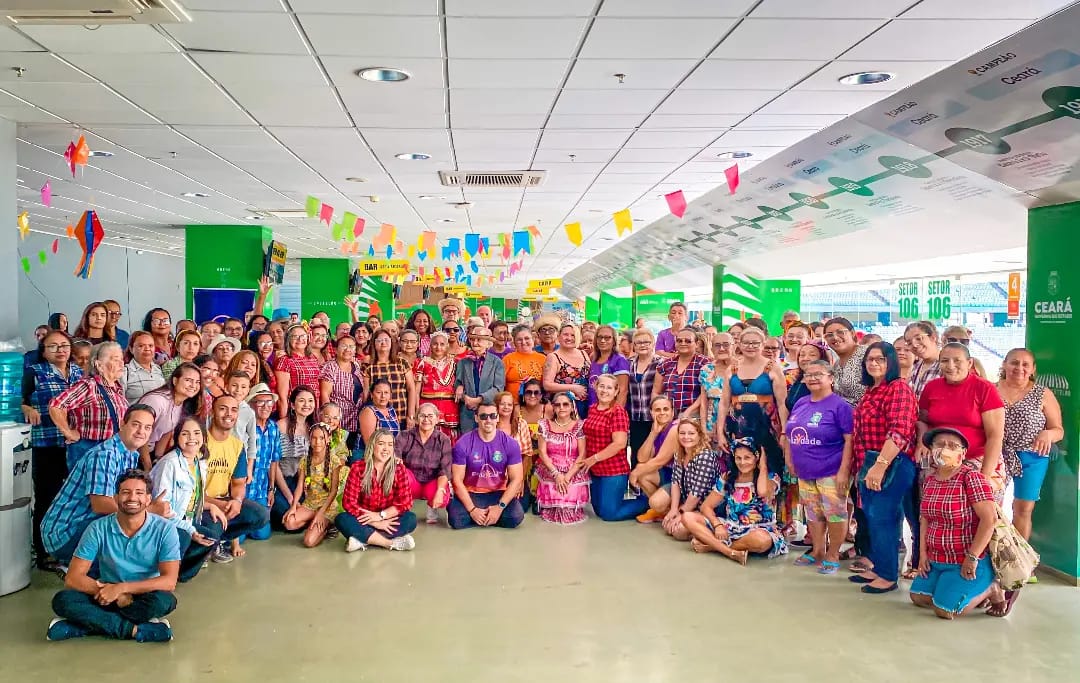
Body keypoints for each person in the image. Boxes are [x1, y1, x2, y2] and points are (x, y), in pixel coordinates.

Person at [46, 470, 179, 643]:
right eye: (125, 492)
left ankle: (86, 626)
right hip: (104, 593)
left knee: (164, 601)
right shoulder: (98, 528)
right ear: (116, 497)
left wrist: (122, 589)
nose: (132, 498)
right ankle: (136, 630)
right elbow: (73, 578)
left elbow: (169, 581)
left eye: (139, 493)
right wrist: (115, 594)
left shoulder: (165, 529)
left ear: (148, 499)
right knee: (63, 600)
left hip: (143, 594)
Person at [910, 427, 1013, 618]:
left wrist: (972, 557)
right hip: (937, 560)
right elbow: (925, 519)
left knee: (945, 610)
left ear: (963, 453)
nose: (945, 449)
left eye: (953, 446)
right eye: (940, 444)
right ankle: (951, 588)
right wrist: (923, 554)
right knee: (917, 597)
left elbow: (989, 519)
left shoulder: (971, 478)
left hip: (966, 560)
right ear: (931, 449)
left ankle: (991, 588)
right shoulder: (930, 480)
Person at [41, 404, 158, 565]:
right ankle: (76, 568)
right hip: (66, 532)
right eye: (136, 424)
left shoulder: (131, 454)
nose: (141, 432)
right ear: (123, 424)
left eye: (147, 427)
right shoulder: (105, 455)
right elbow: (101, 505)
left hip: (88, 523)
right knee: (137, 554)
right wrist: (150, 511)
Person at [850, 342, 918, 594]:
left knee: (884, 517)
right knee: (873, 517)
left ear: (891, 362)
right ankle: (880, 567)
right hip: (869, 463)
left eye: (880, 359)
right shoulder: (872, 390)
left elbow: (899, 431)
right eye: (870, 359)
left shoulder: (898, 389)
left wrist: (879, 466)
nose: (874, 363)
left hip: (891, 463)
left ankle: (888, 575)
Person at [784, 360, 853, 575]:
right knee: (813, 514)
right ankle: (817, 550)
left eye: (818, 374)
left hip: (831, 470)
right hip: (805, 470)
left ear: (831, 378)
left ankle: (833, 554)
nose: (812, 378)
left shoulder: (840, 406)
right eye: (808, 374)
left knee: (834, 514)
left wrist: (843, 472)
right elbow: (790, 434)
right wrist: (790, 459)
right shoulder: (801, 402)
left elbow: (850, 440)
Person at [21, 330, 84, 570]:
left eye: (64, 345)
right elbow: (18, 400)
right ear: (43, 351)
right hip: (46, 444)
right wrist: (25, 408)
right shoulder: (34, 373)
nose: (60, 350)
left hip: (74, 446)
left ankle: (65, 546)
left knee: (71, 499)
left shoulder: (79, 373)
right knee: (47, 498)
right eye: (53, 346)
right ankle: (43, 551)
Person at [916, 343, 1006, 496]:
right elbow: (922, 420)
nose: (951, 366)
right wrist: (921, 442)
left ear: (969, 363)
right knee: (933, 509)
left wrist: (984, 476)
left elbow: (995, 435)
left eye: (957, 360)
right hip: (938, 460)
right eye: (945, 361)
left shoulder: (984, 388)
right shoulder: (932, 387)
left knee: (978, 512)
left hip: (976, 459)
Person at [682, 438, 788, 565]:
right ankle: (729, 552)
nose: (742, 462)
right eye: (738, 458)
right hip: (730, 528)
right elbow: (706, 507)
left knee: (762, 540)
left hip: (758, 531)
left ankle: (713, 547)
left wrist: (763, 465)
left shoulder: (771, 478)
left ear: (757, 457)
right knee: (688, 517)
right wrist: (718, 525)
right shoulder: (728, 477)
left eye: (747, 457)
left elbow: (762, 492)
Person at [995, 348, 1064, 543]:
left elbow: (1058, 430)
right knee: (989, 506)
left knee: (1023, 509)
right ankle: (990, 558)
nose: (1020, 368)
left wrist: (1048, 433)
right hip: (997, 454)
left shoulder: (1043, 394)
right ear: (1004, 364)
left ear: (1033, 369)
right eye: (1014, 363)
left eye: (1026, 364)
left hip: (1032, 457)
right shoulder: (990, 389)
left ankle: (1019, 561)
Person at [149, 417, 227, 582]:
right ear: (177, 438)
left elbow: (193, 497)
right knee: (184, 536)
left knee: (212, 535)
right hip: (167, 521)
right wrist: (189, 529)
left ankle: (179, 574)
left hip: (188, 517)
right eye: (185, 434)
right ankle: (158, 576)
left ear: (204, 438)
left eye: (197, 433)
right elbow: (162, 509)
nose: (192, 438)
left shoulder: (200, 462)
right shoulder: (169, 464)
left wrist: (210, 506)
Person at [201, 395, 271, 563]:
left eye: (234, 410)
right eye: (223, 408)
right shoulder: (200, 441)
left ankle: (215, 541)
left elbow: (239, 483)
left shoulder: (237, 445)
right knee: (214, 525)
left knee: (260, 515)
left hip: (223, 499)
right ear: (212, 411)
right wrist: (218, 505)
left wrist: (237, 500)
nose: (228, 414)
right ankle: (205, 544)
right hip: (199, 504)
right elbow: (191, 492)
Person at [716, 326, 789, 476]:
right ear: (739, 345)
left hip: (767, 428)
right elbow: (724, 403)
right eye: (746, 343)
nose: (751, 347)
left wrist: (784, 432)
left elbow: (782, 404)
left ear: (762, 344)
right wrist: (720, 432)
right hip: (738, 429)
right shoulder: (732, 369)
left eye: (755, 343)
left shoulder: (773, 367)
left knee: (768, 469)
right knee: (740, 471)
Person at [447, 400, 526, 530]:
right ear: (476, 418)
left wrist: (499, 507)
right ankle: (484, 516)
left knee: (515, 517)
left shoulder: (510, 443)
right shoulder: (463, 443)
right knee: (456, 520)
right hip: (471, 492)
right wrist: (472, 510)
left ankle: (489, 515)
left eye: (492, 416)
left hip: (498, 493)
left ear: (498, 418)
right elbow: (456, 480)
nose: (488, 420)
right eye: (483, 416)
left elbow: (517, 479)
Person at [49, 341, 128, 469]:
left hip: (113, 451)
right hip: (90, 451)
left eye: (122, 359)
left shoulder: (118, 389)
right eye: (115, 359)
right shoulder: (89, 385)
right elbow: (56, 405)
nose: (121, 363)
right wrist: (68, 432)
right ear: (99, 365)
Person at [336, 429, 417, 552]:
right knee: (342, 519)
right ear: (372, 446)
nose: (386, 448)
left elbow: (406, 502)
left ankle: (362, 539)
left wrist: (381, 516)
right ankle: (388, 542)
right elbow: (349, 503)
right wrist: (375, 522)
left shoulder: (399, 468)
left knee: (410, 519)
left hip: (386, 517)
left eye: (390, 444)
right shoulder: (358, 468)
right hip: (364, 518)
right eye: (381, 443)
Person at [583, 374, 648, 521]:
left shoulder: (618, 412)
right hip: (596, 469)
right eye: (602, 386)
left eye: (609, 388)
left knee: (609, 514)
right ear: (595, 387)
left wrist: (593, 458)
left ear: (616, 391)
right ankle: (618, 503)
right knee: (599, 510)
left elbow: (619, 443)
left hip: (614, 470)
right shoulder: (593, 408)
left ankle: (648, 503)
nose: (605, 391)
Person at [653, 420, 719, 542]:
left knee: (678, 532)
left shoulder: (705, 457)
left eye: (691, 433)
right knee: (663, 515)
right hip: (687, 499)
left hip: (705, 505)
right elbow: (675, 482)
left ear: (699, 435)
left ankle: (704, 530)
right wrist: (674, 510)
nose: (686, 437)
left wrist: (681, 514)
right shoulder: (680, 452)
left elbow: (696, 493)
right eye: (682, 433)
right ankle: (685, 520)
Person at [282, 423, 343, 548]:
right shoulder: (305, 460)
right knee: (289, 523)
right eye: (314, 438)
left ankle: (327, 527)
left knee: (309, 542)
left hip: (327, 506)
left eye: (321, 438)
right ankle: (313, 523)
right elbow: (299, 486)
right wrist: (293, 506)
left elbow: (333, 491)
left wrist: (321, 514)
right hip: (311, 503)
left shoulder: (334, 461)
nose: (317, 442)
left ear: (329, 439)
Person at [535, 392, 589, 525]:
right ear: (553, 407)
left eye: (565, 404)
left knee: (567, 497)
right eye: (557, 405)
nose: (561, 408)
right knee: (556, 498)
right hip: (551, 469)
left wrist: (567, 477)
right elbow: (542, 452)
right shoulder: (544, 425)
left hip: (573, 470)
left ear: (572, 407)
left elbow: (582, 454)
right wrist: (556, 475)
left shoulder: (579, 425)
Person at [395, 403, 453, 525]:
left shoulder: (444, 440)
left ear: (437, 419)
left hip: (431, 480)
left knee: (443, 494)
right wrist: (397, 459)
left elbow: (445, 469)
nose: (426, 419)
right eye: (422, 416)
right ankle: (402, 508)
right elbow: (396, 453)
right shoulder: (404, 435)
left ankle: (432, 508)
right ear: (416, 419)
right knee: (397, 470)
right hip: (411, 481)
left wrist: (440, 490)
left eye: (430, 416)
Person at [137, 363, 204, 469]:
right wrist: (148, 467)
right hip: (135, 452)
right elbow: (139, 433)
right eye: (188, 380)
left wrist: (158, 461)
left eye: (197, 382)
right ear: (175, 381)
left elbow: (166, 432)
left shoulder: (181, 403)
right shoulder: (157, 401)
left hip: (150, 453)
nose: (193, 385)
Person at [629, 395, 677, 523]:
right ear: (651, 412)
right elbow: (642, 458)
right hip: (668, 474)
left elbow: (660, 460)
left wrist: (634, 473)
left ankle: (668, 509)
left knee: (654, 501)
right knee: (642, 470)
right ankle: (663, 512)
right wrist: (653, 433)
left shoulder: (675, 428)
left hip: (680, 479)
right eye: (657, 410)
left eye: (666, 409)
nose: (662, 413)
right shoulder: (659, 428)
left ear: (672, 412)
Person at [273, 385, 316, 528]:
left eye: (310, 401)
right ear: (292, 404)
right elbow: (275, 466)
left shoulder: (314, 429)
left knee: (294, 516)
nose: (306, 405)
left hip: (304, 483)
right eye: (301, 401)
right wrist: (291, 498)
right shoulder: (280, 426)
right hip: (283, 482)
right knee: (283, 514)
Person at [455, 327, 506, 433]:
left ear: (488, 343)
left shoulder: (497, 362)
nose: (475, 342)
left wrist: (478, 400)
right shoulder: (463, 362)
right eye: (473, 339)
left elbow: (498, 388)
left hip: (488, 412)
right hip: (467, 413)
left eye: (479, 339)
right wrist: (465, 397)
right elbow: (457, 384)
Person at [245, 383, 279, 541]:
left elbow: (274, 460)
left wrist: (271, 488)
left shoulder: (273, 427)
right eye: (260, 402)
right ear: (251, 405)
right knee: (240, 537)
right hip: (244, 489)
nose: (266, 406)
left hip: (261, 489)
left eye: (269, 402)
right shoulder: (244, 426)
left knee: (262, 535)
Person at [364, 328, 417, 429]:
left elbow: (411, 389)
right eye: (379, 340)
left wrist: (411, 415)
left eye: (386, 340)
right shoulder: (368, 366)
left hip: (401, 416)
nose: (383, 343)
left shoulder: (402, 363)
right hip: (378, 418)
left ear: (392, 343)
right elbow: (366, 394)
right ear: (374, 344)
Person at [653, 327, 710, 418]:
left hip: (695, 416)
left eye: (687, 341)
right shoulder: (665, 364)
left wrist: (688, 412)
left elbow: (707, 392)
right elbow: (656, 391)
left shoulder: (705, 363)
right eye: (679, 341)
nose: (683, 343)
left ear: (696, 344)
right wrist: (658, 411)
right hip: (667, 416)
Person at [319, 335, 365, 445]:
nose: (348, 349)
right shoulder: (330, 367)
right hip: (339, 423)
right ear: (335, 349)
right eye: (344, 346)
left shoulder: (356, 365)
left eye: (351, 347)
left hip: (355, 421)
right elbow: (325, 395)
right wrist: (330, 421)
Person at [414, 331, 459, 440]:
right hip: (428, 405)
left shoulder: (455, 363)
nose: (438, 347)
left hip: (449, 406)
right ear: (430, 345)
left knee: (449, 436)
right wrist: (416, 410)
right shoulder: (422, 363)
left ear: (447, 345)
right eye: (435, 344)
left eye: (442, 344)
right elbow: (416, 391)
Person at [274, 325, 322, 419]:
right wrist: (284, 421)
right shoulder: (284, 360)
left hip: (313, 408)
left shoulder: (312, 358)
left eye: (303, 336)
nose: (300, 339)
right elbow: (282, 396)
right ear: (288, 339)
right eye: (295, 336)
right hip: (295, 410)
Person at [543, 324, 591, 417]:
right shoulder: (553, 357)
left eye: (573, 335)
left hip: (587, 405)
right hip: (565, 408)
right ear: (559, 337)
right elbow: (547, 385)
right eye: (565, 334)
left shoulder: (583, 353)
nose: (569, 338)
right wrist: (573, 387)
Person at [824, 317, 867, 407]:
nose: (835, 337)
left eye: (840, 332)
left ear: (852, 333)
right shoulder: (836, 365)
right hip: (842, 416)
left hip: (866, 416)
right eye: (829, 335)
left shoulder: (867, 355)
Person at [223, 371, 258, 482]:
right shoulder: (218, 407)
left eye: (243, 387)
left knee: (237, 488)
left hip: (239, 456)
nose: (238, 390)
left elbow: (252, 441)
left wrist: (249, 467)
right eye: (234, 385)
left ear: (248, 390)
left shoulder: (249, 412)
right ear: (226, 386)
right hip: (220, 453)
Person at [698, 332, 734, 435]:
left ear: (734, 346)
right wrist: (704, 427)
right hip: (712, 424)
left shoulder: (742, 368)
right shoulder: (706, 370)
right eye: (717, 345)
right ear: (712, 348)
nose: (722, 349)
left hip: (737, 423)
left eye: (726, 344)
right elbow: (704, 403)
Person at [588, 324, 630, 408]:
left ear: (614, 341)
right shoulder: (593, 358)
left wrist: (615, 413)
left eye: (607, 338)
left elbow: (623, 391)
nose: (603, 341)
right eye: (600, 337)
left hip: (610, 411)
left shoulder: (619, 360)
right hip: (593, 410)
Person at [503, 325, 547, 400]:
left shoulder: (543, 359)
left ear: (533, 339)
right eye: (519, 339)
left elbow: (546, 384)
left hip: (537, 402)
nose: (523, 342)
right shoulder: (508, 359)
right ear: (514, 342)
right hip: (513, 403)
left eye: (527, 338)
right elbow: (501, 384)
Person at [784, 341, 829, 413]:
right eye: (802, 355)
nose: (805, 358)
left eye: (812, 355)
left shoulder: (823, 383)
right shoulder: (798, 379)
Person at [121, 331, 164, 404]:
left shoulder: (158, 369)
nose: (147, 349)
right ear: (131, 349)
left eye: (150, 345)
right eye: (141, 346)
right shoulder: (125, 372)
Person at [357, 378, 400, 452]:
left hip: (387, 454)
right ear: (372, 394)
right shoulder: (369, 411)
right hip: (368, 455)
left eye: (386, 392)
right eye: (379, 392)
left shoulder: (391, 410)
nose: (383, 396)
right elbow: (369, 443)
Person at [905, 321, 941, 400]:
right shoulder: (916, 366)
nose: (914, 344)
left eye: (918, 338)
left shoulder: (947, 365)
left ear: (932, 337)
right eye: (909, 343)